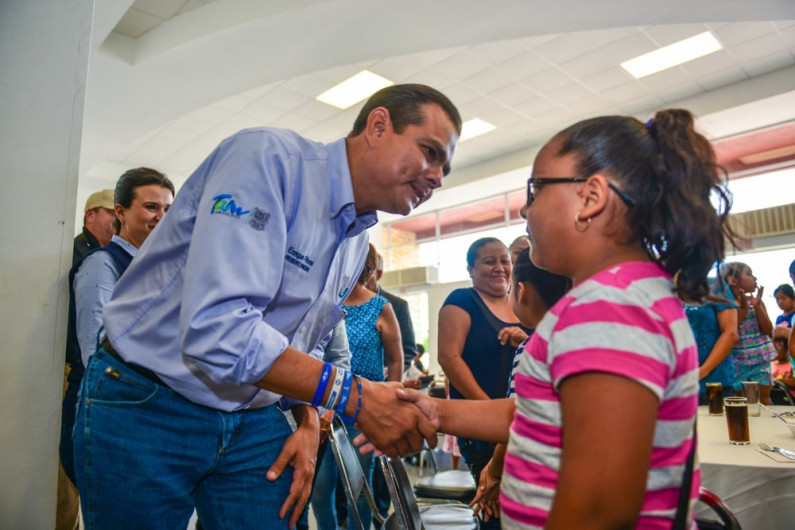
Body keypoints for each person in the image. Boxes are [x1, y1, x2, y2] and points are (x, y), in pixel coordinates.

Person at [72, 84, 461, 529]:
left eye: (445, 168)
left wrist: (308, 420)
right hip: (151, 400)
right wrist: (353, 396)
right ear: (378, 126)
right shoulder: (269, 161)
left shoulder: (355, 242)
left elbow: (301, 341)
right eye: (430, 152)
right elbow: (216, 330)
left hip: (252, 417)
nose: (436, 177)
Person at [388, 109, 731, 528]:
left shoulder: (609, 310)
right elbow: (534, 412)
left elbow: (600, 507)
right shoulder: (621, 295)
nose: (525, 211)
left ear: (591, 197)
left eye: (535, 190)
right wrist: (438, 411)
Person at [59, 169, 174, 529]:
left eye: (169, 209)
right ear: (120, 212)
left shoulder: (165, 270)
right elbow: (97, 353)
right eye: (151, 206)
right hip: (107, 414)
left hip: (150, 415)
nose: (162, 217)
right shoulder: (101, 265)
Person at [469, 248, 571, 522]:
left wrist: (493, 470)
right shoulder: (574, 338)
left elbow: (517, 423)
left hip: (537, 485)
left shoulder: (534, 348)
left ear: (522, 291)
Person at [438, 236, 531, 529]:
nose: (500, 267)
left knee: (522, 504)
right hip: (482, 429)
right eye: (489, 261)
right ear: (470, 268)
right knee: (495, 504)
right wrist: (490, 410)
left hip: (521, 426)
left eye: (504, 260)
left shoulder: (521, 302)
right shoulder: (462, 300)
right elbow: (449, 358)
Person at [312, 243, 403, 530]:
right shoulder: (327, 302)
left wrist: (392, 402)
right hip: (323, 407)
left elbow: (396, 359)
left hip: (364, 409)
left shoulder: (380, 306)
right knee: (319, 489)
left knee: (359, 489)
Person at [721, 262, 777, 405]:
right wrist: (745, 309)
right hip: (738, 361)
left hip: (760, 358)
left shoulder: (756, 302)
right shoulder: (727, 303)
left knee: (763, 399)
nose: (755, 278)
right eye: (749, 273)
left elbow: (767, 330)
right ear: (733, 280)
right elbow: (730, 329)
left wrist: (757, 307)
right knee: (740, 401)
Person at [684, 275, 740, 403]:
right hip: (672, 386)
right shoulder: (661, 287)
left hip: (713, 383)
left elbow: (730, 334)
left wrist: (702, 371)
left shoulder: (714, 284)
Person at [366, 251, 418, 371]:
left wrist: (391, 370)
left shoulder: (397, 306)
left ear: (378, 274)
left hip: (384, 380)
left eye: (366, 273)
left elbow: (408, 349)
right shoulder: (343, 304)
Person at [73, 189, 116, 265]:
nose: (119, 219)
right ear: (90, 216)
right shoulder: (76, 250)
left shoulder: (111, 249)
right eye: (113, 212)